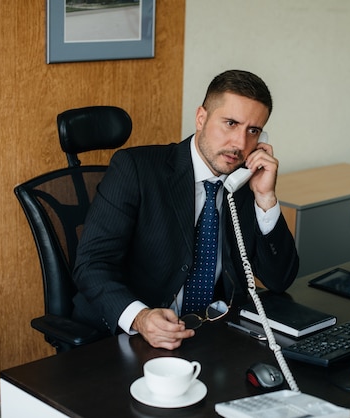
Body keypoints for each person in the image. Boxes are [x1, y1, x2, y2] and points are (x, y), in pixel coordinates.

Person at [72, 69, 299, 350]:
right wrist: (140, 317)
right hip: (134, 336)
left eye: (252, 131)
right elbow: (91, 265)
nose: (240, 144)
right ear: (201, 118)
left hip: (213, 334)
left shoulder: (244, 181)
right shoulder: (137, 169)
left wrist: (266, 197)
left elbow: (279, 280)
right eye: (230, 123)